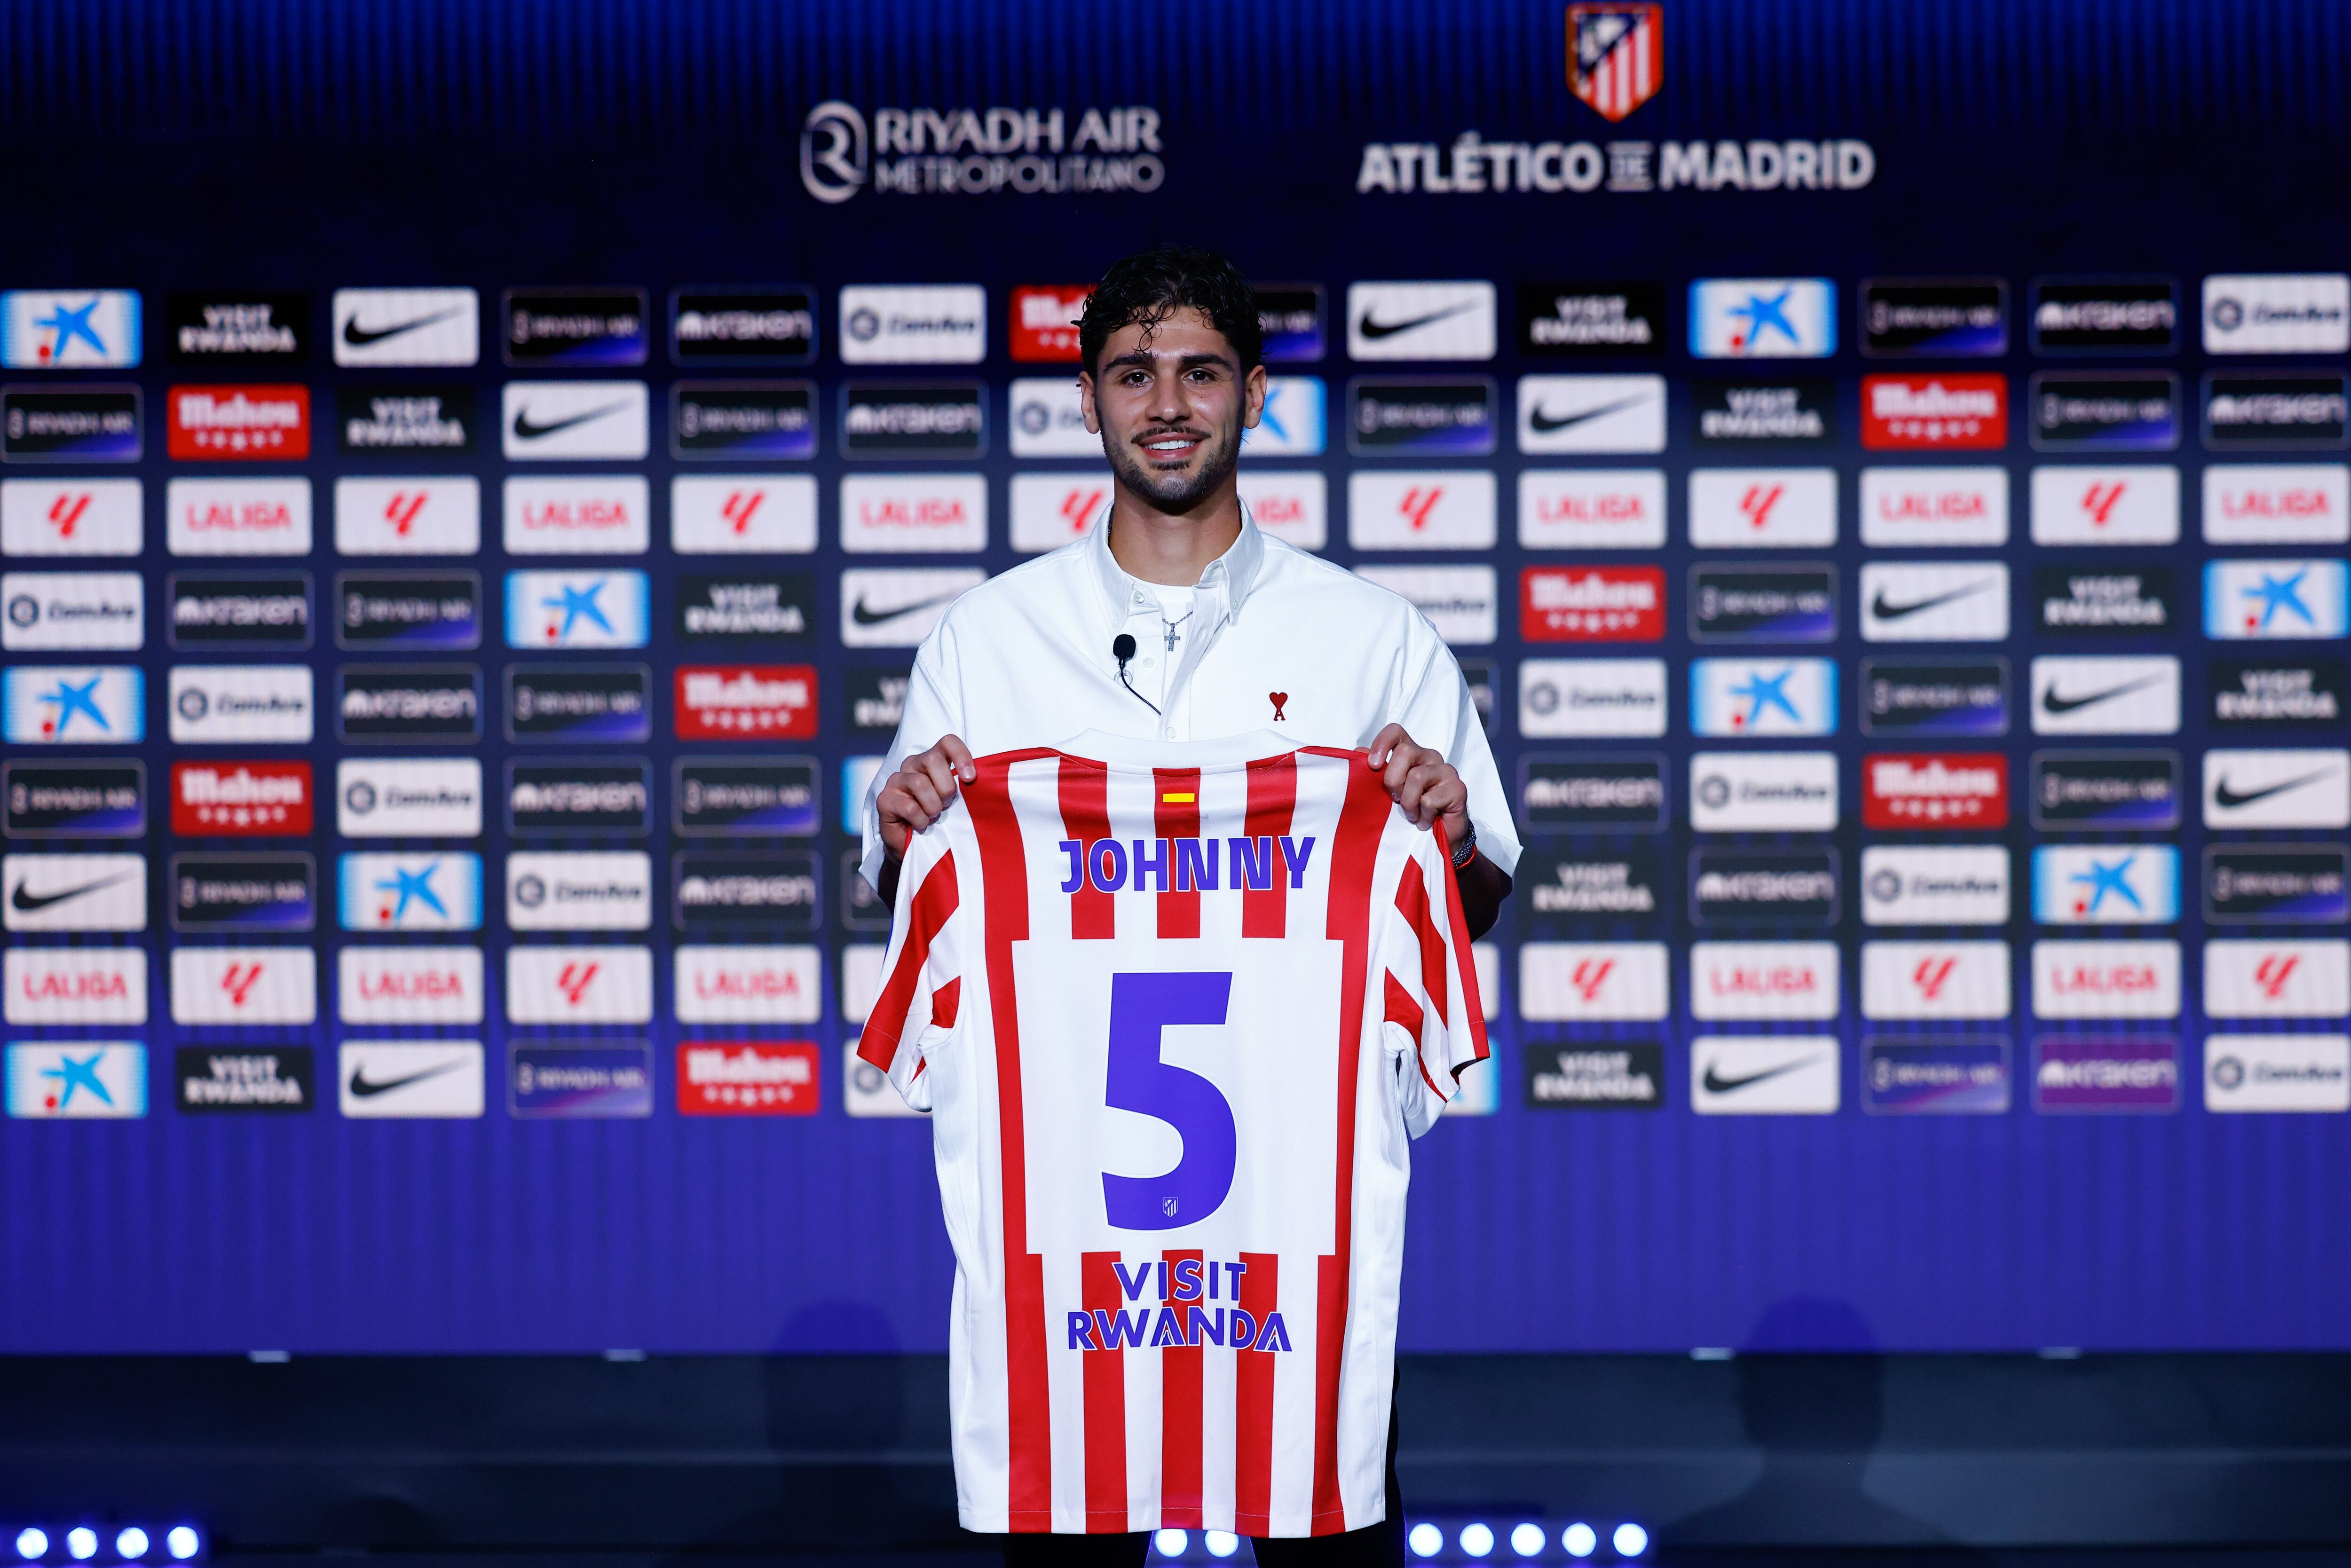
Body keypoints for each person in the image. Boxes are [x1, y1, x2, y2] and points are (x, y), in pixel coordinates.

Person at [860, 243, 1520, 1568]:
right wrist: (899, 827)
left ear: (1257, 395)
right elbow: (914, 917)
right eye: (1134, 373)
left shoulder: (1373, 640)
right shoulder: (982, 646)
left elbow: (1473, 903)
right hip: (1069, 1278)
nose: (1168, 402)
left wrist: (1443, 828)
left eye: (1201, 372)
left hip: (1294, 1247)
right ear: (1089, 400)